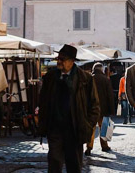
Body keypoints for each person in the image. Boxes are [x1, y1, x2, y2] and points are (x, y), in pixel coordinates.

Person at [37, 45, 99, 173]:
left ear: (72, 61)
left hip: (75, 129)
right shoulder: (50, 77)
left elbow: (95, 105)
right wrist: (43, 122)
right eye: (58, 58)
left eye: (63, 59)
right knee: (54, 162)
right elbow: (43, 101)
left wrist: (87, 125)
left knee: (74, 165)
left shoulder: (85, 79)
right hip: (55, 128)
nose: (59, 61)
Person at [87, 63, 115, 154]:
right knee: (103, 127)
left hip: (91, 108)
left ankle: (89, 147)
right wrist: (111, 109)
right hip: (103, 108)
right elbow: (110, 95)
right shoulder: (105, 80)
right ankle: (104, 146)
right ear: (102, 70)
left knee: (91, 128)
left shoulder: (89, 79)